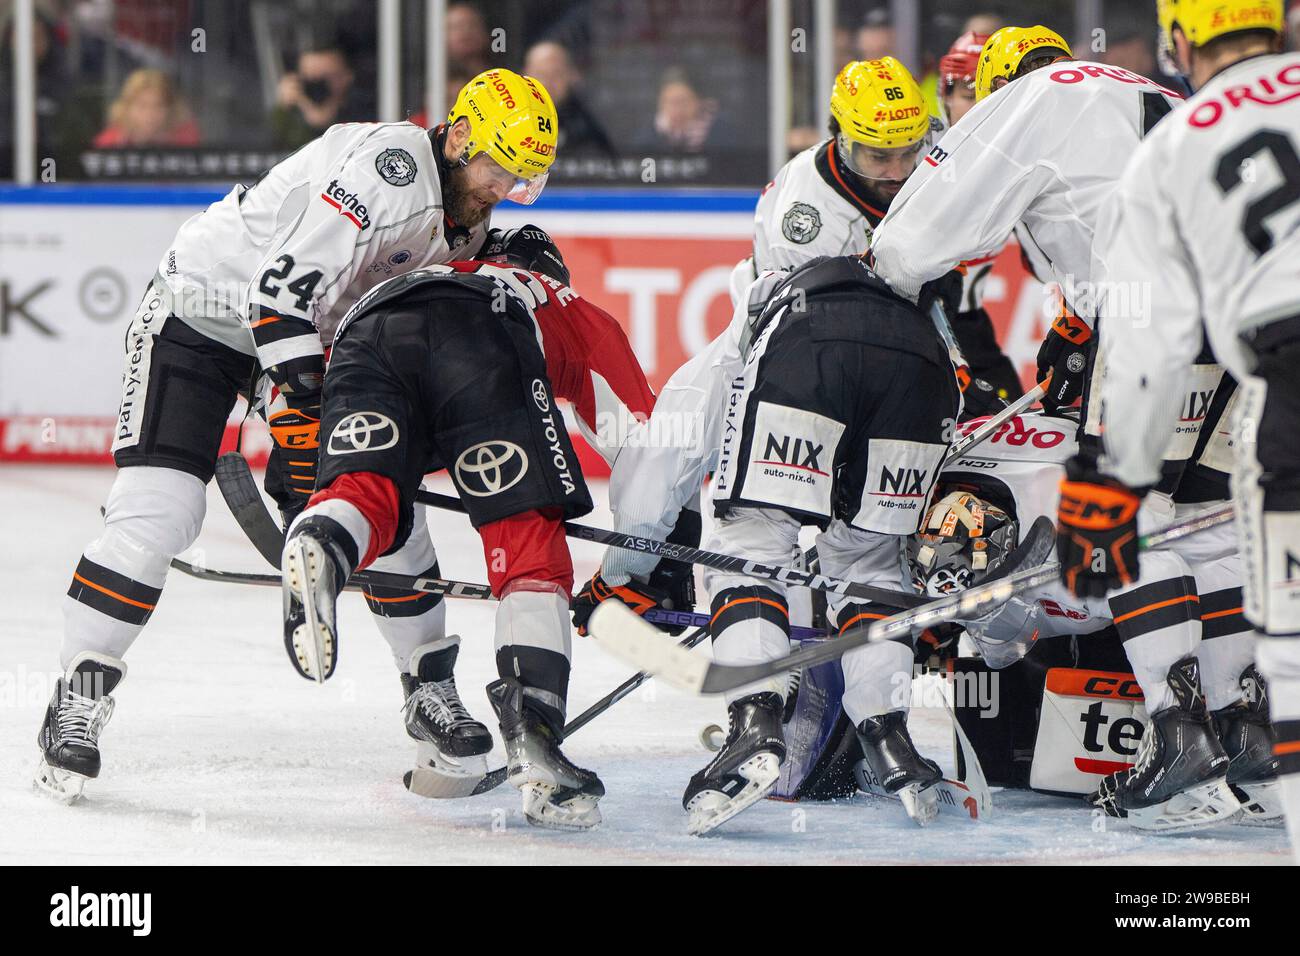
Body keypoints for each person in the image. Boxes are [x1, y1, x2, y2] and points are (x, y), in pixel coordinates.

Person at [34, 69, 559, 804]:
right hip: (202, 318)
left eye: (522, 180)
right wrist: (305, 405)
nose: (502, 186)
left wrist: (510, 254)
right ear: (462, 132)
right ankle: (77, 696)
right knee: (157, 513)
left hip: (304, 337)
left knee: (379, 503)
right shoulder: (391, 170)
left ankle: (429, 693)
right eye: (498, 167)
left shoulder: (465, 205)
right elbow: (276, 296)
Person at [280, 232, 654, 829]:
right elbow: (647, 451)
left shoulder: (402, 276)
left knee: (372, 497)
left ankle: (324, 540)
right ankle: (533, 733)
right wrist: (654, 566)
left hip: (362, 335)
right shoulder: (551, 296)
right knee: (527, 540)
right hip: (479, 340)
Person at [1055, 0, 1299, 851]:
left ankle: (1189, 729)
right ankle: (1246, 733)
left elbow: (1150, 336)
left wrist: (1112, 486)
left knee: (1170, 522)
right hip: (1262, 371)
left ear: (1180, 40)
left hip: (1262, 365)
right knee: (1233, 536)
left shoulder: (1170, 145)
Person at [901, 411, 1276, 828]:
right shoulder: (929, 502)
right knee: (1198, 553)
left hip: (1149, 461)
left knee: (1140, 557)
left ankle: (1187, 741)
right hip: (1172, 467)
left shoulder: (1066, 500)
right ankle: (1245, 737)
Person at [739, 55, 1008, 410]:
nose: (898, 172)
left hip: (907, 315)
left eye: (908, 152)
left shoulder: (929, 139)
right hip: (805, 353)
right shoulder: (805, 221)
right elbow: (826, 345)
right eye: (880, 158)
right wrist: (946, 381)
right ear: (842, 139)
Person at [523, 40, 616, 157]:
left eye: (556, 74)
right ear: (524, 74)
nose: (547, 82)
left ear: (572, 76)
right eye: (540, 74)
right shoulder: (509, 117)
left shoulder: (586, 128)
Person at [270, 45, 363, 151]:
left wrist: (323, 120)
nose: (317, 83)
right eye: (309, 77)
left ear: (347, 77)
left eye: (326, 76)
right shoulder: (289, 119)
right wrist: (284, 108)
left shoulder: (364, 119)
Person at [93, 69, 200, 148]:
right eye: (142, 105)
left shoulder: (187, 141)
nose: (150, 114)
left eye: (158, 106)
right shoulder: (109, 142)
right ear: (126, 108)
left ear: (170, 109)